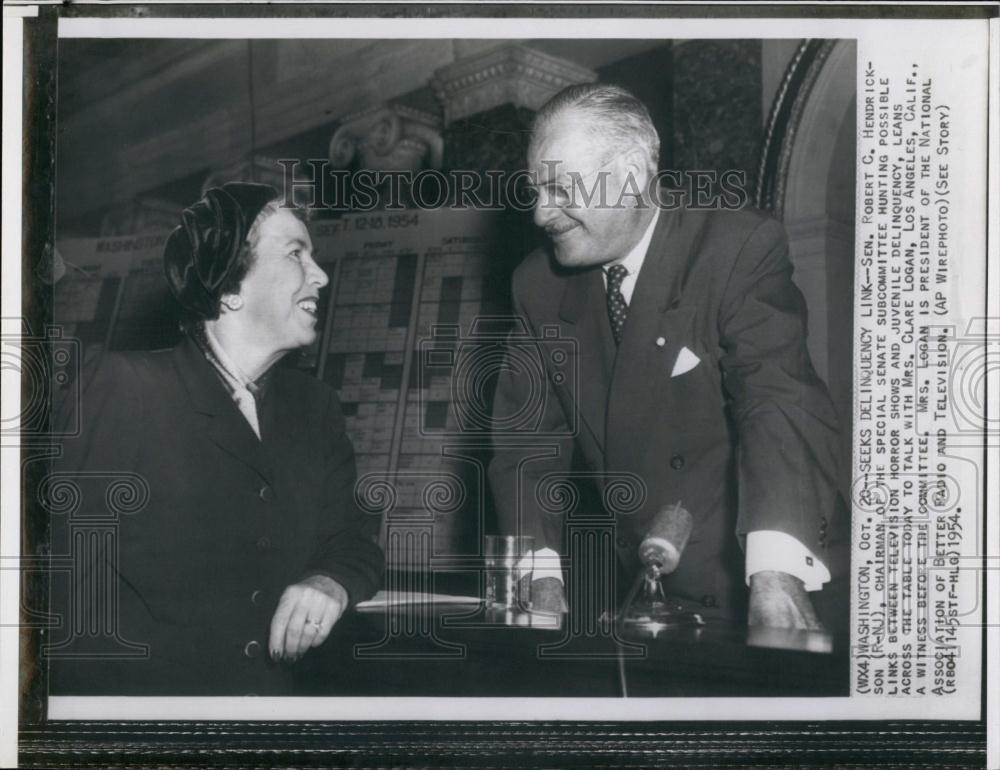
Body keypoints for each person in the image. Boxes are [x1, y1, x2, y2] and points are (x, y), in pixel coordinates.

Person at [488, 84, 848, 630]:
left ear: (632, 172)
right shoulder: (535, 286)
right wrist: (540, 577)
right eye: (535, 189)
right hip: (646, 596)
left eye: (561, 188)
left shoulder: (736, 247)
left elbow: (777, 400)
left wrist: (778, 575)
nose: (540, 214)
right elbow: (525, 446)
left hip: (769, 580)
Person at [47, 183, 383, 695]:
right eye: (296, 253)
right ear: (228, 286)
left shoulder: (315, 407)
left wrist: (329, 582)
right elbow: (58, 582)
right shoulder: (124, 387)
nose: (320, 274)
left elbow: (352, 541)